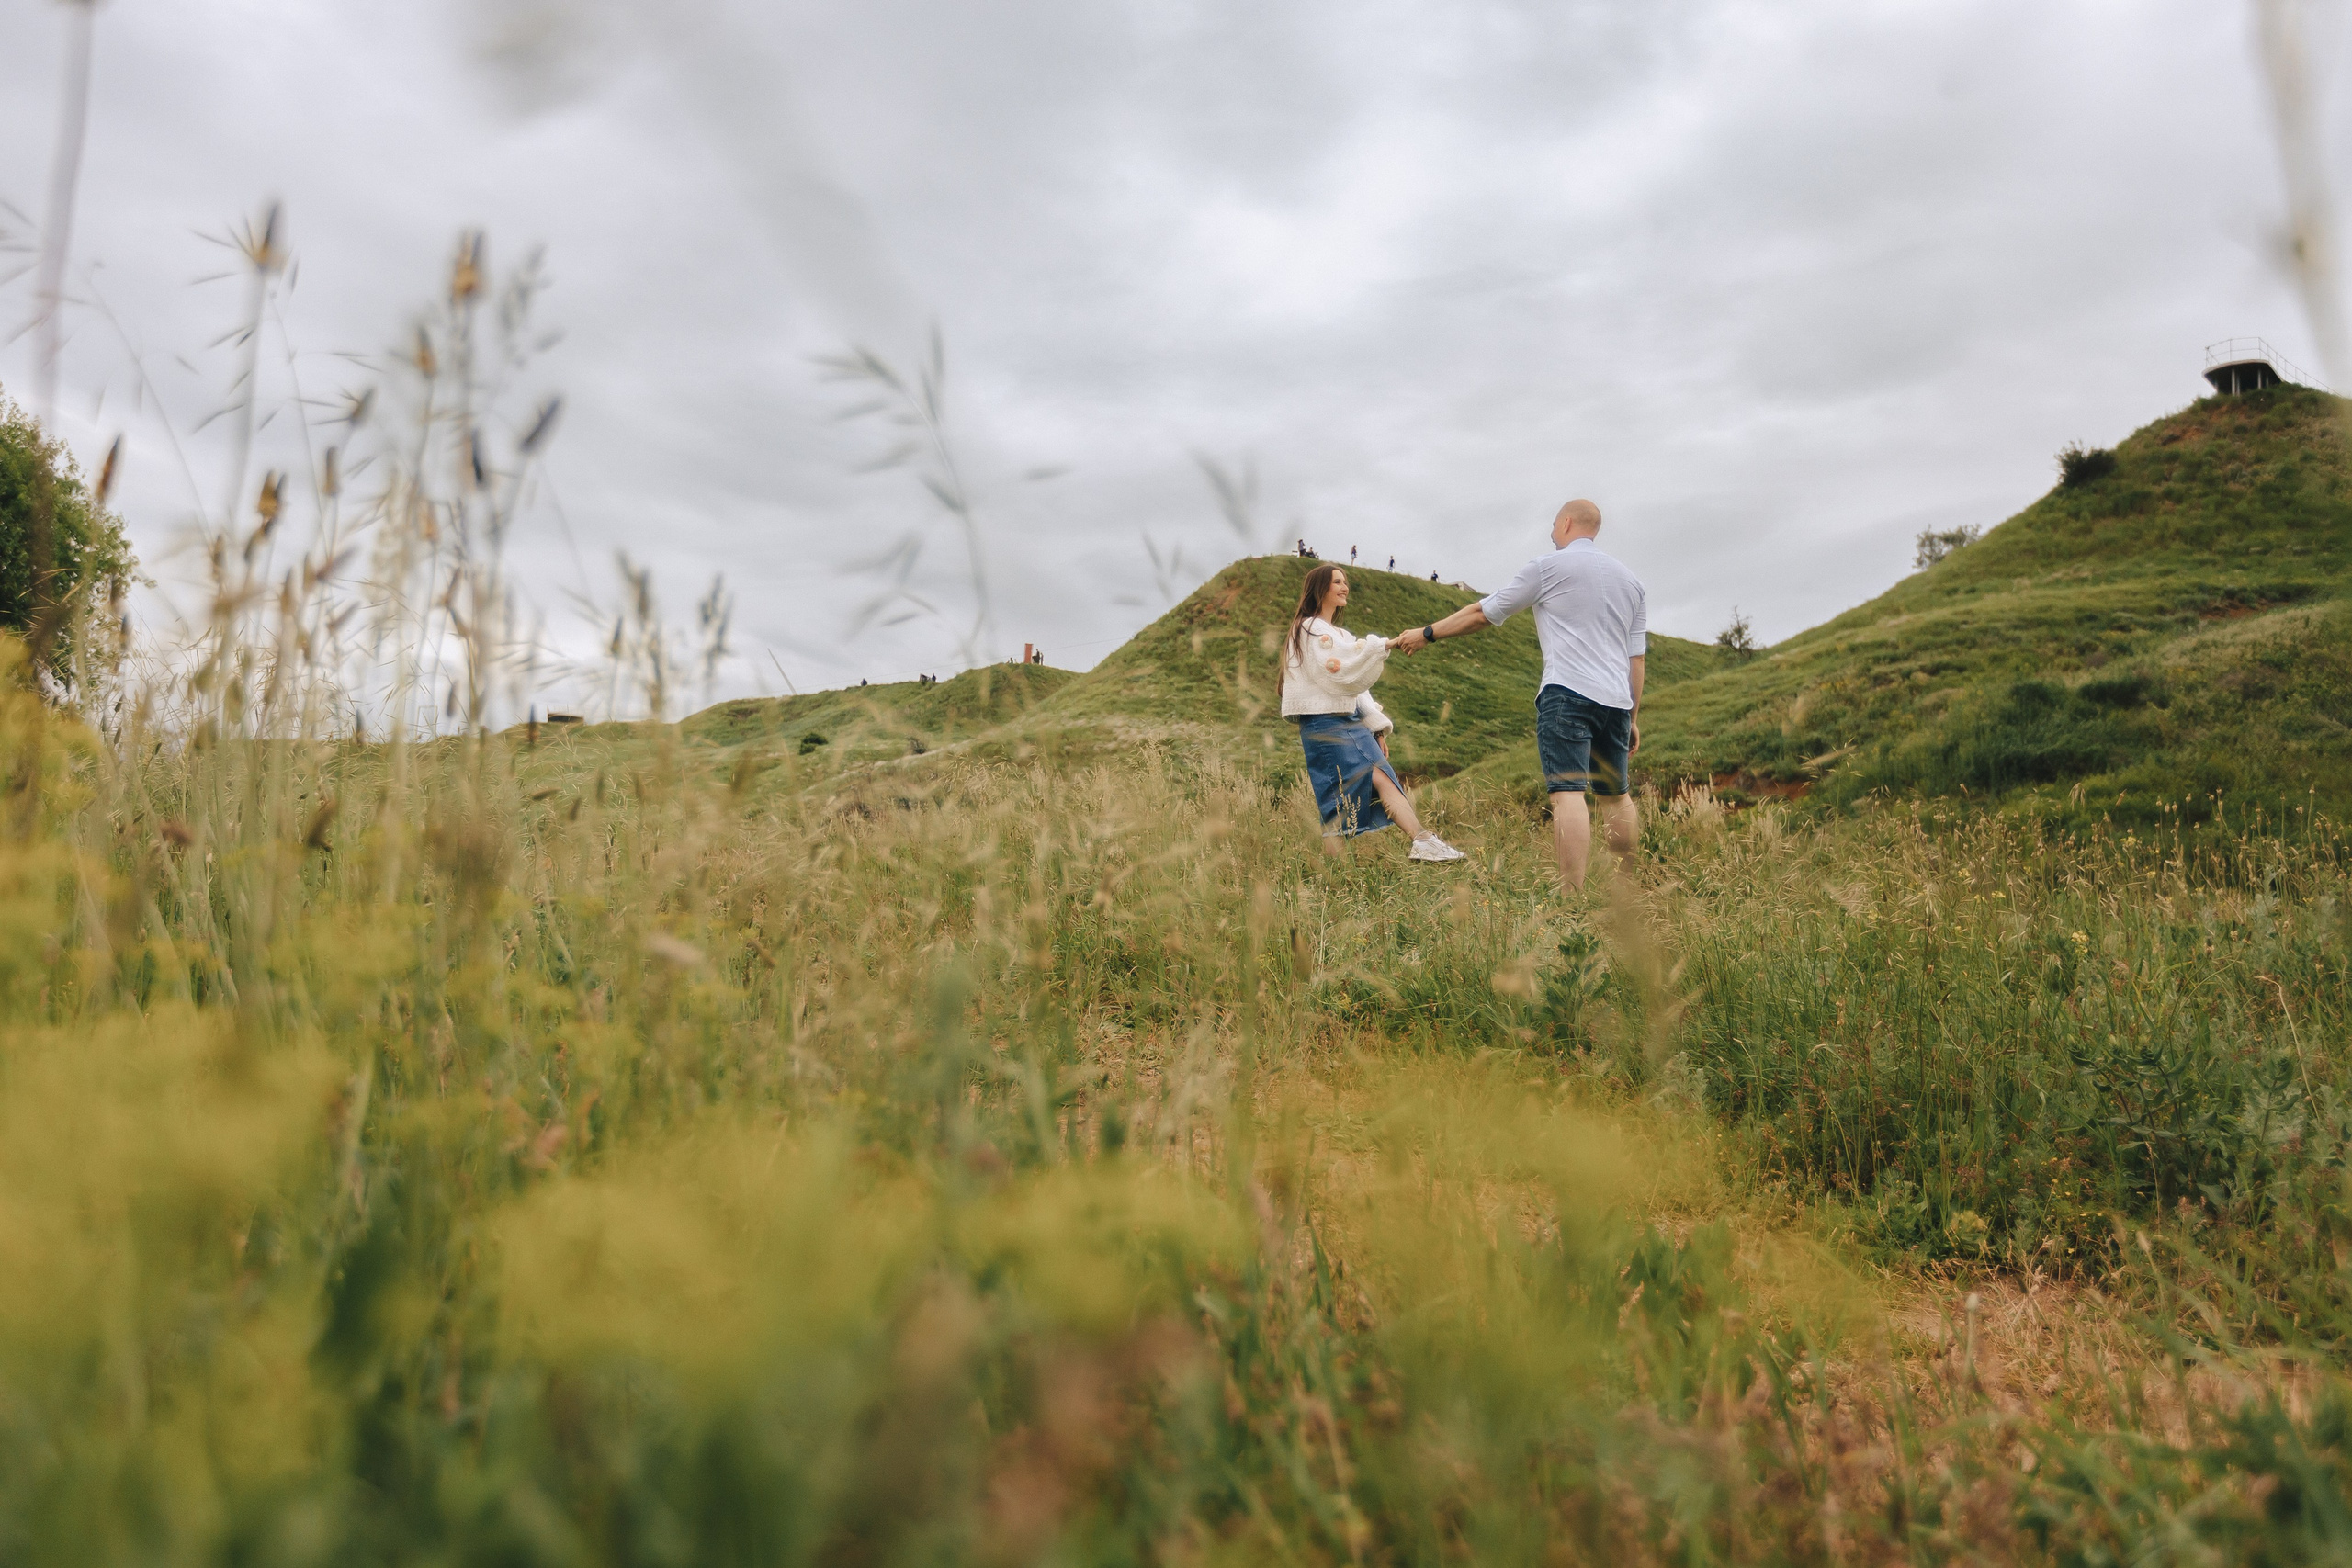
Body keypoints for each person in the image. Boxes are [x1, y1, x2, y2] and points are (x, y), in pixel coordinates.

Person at [1391, 499, 1644, 888]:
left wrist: (1427, 633)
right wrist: (1634, 716)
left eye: (1553, 525)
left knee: (1568, 793)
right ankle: (1627, 888)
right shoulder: (1632, 582)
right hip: (1617, 701)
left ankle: (1571, 897)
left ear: (1566, 522)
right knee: (1617, 797)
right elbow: (1636, 659)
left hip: (1568, 693)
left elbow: (1483, 613)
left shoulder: (1548, 567)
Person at [1279, 564, 1465, 862]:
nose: (1344, 587)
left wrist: (1376, 728)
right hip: (1325, 725)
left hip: (1348, 722)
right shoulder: (1309, 628)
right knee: (1341, 801)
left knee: (1372, 783)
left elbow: (1356, 686)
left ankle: (1421, 840)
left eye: (1345, 582)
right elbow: (1339, 671)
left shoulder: (1340, 634)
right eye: (1337, 582)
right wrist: (1383, 645)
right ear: (1320, 588)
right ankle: (1415, 843)